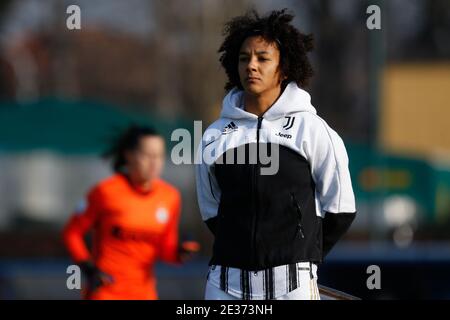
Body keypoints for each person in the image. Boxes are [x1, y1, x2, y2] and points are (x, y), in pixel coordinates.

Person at [195, 9, 356, 300]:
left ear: (284, 68)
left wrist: (303, 256)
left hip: (292, 285)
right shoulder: (214, 135)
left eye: (262, 58)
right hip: (225, 284)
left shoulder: (313, 130)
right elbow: (211, 211)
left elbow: (341, 208)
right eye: (244, 58)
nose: (251, 66)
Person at [63, 125, 199, 300]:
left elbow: (165, 248)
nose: (154, 162)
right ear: (129, 155)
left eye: (159, 156)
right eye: (147, 155)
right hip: (106, 292)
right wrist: (88, 267)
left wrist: (180, 253)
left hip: (144, 293)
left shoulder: (170, 197)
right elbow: (72, 233)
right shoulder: (105, 192)